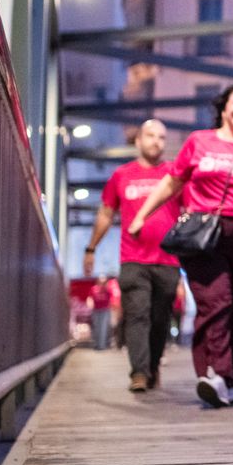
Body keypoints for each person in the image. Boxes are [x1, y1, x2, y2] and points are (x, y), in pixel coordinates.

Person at [129, 84, 233, 408]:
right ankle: (219, 374)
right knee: (216, 300)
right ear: (224, 108)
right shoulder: (199, 141)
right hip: (203, 234)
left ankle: (222, 377)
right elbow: (172, 181)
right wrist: (142, 215)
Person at [85, 118, 182, 393]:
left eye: (162, 137)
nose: (156, 141)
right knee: (137, 314)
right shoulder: (122, 175)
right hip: (133, 259)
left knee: (160, 319)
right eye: (151, 136)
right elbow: (106, 213)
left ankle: (151, 367)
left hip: (168, 260)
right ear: (138, 140)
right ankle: (138, 373)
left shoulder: (174, 176)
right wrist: (91, 248)